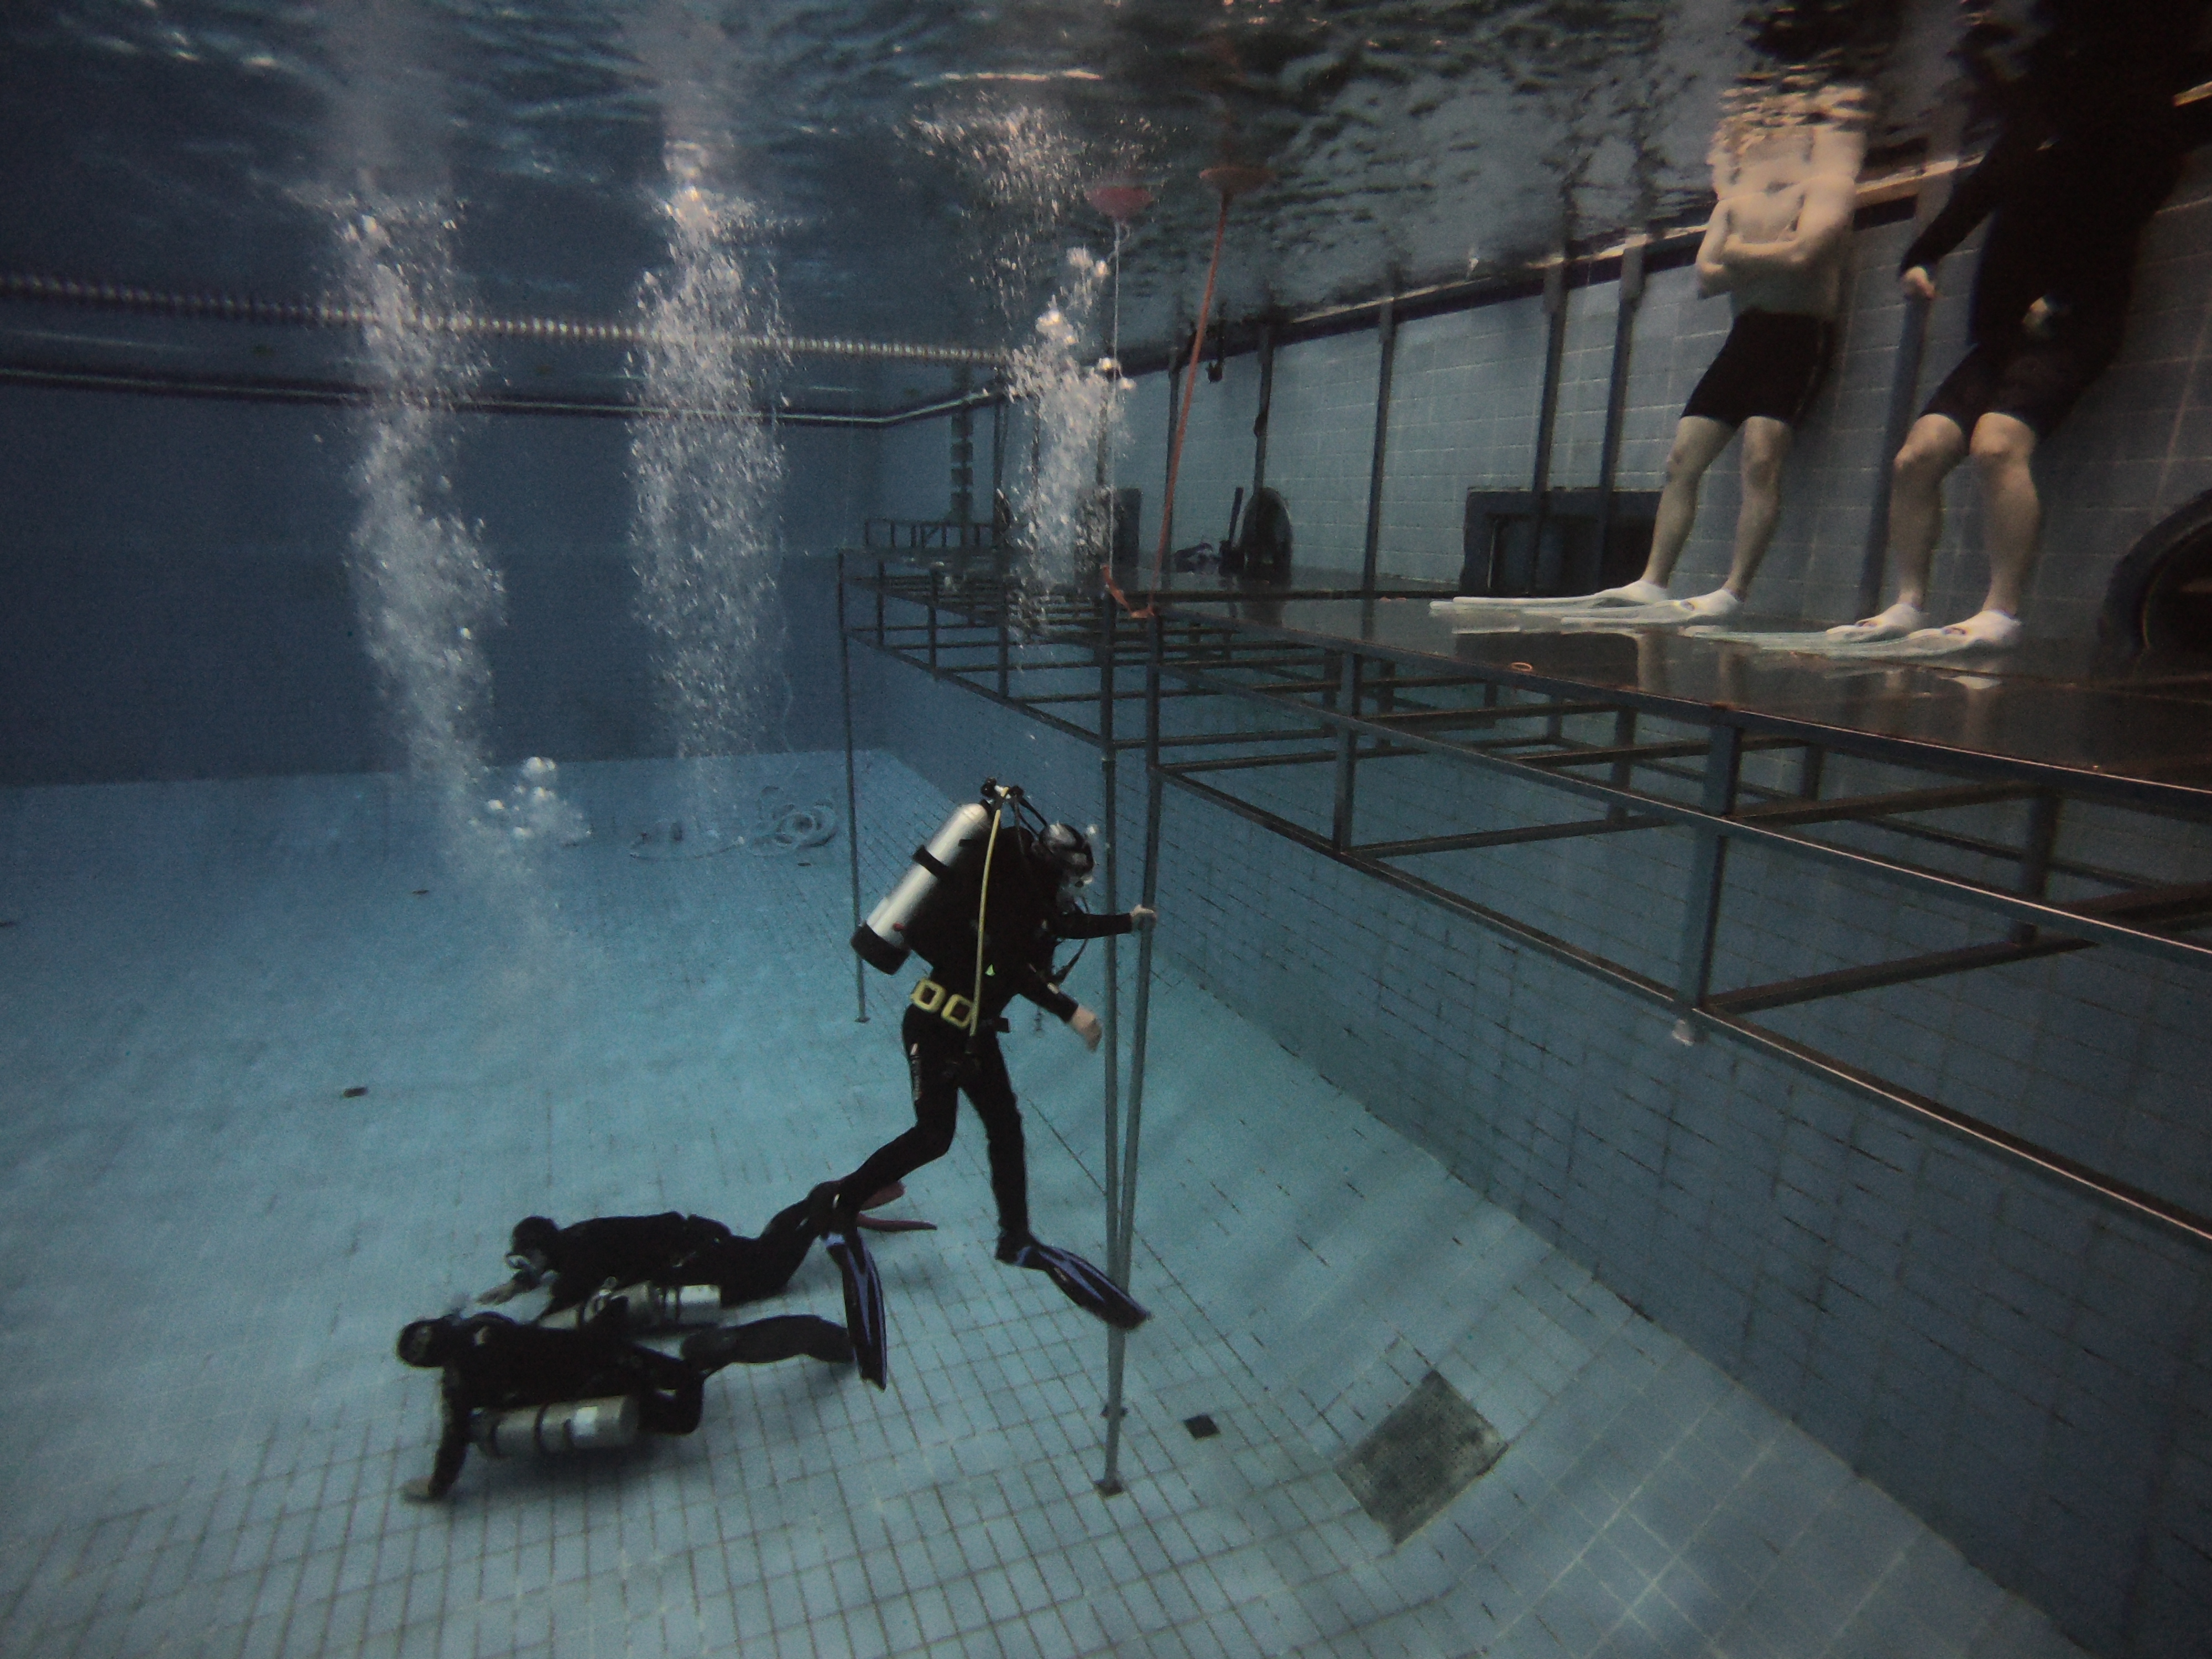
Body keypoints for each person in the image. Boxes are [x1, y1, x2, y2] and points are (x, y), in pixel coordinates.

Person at [1830, 1, 2203, 649]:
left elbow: (2130, 209)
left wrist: (2062, 297)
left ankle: (2001, 613)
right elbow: (1978, 194)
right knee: (1917, 456)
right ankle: (1907, 604)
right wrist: (1920, 256)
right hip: (2002, 333)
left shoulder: (2132, 115)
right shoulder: (2035, 121)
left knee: (1997, 445)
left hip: (2075, 323)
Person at [832, 782, 1154, 1366]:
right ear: (1052, 871)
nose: (1071, 893)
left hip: (973, 1033)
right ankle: (844, 1201)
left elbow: (1062, 929)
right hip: (935, 1027)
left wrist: (1126, 923)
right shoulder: (1007, 903)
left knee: (1005, 1126)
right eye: (1071, 882)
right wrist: (1071, 1012)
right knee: (934, 1135)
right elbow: (1009, 966)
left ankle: (1016, 1235)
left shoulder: (1029, 902)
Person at [1584, 85, 1866, 620]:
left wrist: (1738, 252)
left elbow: (1806, 257)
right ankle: (1653, 580)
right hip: (1745, 337)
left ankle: (1735, 591)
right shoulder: (1733, 204)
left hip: (1800, 335)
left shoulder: (1828, 187)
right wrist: (1770, 252)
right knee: (1681, 460)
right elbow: (1707, 280)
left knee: (1761, 457)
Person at [394, 1307, 850, 1500]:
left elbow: (454, 1441)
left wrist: (436, 1486)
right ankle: (702, 1358)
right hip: (601, 1348)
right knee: (671, 1372)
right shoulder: (484, 1322)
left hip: (596, 1387)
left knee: (682, 1420)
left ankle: (704, 1364)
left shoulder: (460, 1385)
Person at [477, 1186, 932, 1323]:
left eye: (524, 1260)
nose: (524, 1268)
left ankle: (828, 1214)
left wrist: (517, 1325)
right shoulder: (575, 1237)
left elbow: (560, 1309)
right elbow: (560, 1267)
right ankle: (825, 1203)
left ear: (538, 1250)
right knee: (769, 1242)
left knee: (772, 1271)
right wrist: (520, 1283)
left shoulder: (576, 1262)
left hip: (707, 1264)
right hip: (700, 1239)